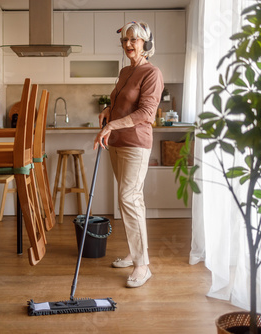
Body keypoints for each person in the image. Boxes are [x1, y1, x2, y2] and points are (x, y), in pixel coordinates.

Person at [93, 21, 164, 288]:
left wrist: (111, 125)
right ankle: (135, 253)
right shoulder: (124, 72)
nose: (128, 44)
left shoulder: (152, 73)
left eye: (134, 40)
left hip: (136, 143)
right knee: (131, 201)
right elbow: (118, 102)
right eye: (124, 40)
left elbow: (146, 113)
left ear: (146, 43)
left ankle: (142, 266)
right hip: (117, 143)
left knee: (128, 198)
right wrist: (107, 112)